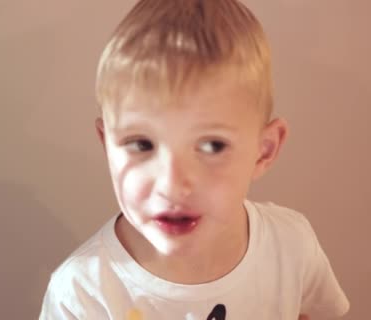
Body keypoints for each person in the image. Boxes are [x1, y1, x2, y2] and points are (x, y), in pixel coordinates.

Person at [39, 0, 349, 318]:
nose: (172, 185)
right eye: (142, 144)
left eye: (213, 146)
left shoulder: (291, 247)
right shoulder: (83, 292)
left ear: (264, 150)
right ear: (108, 146)